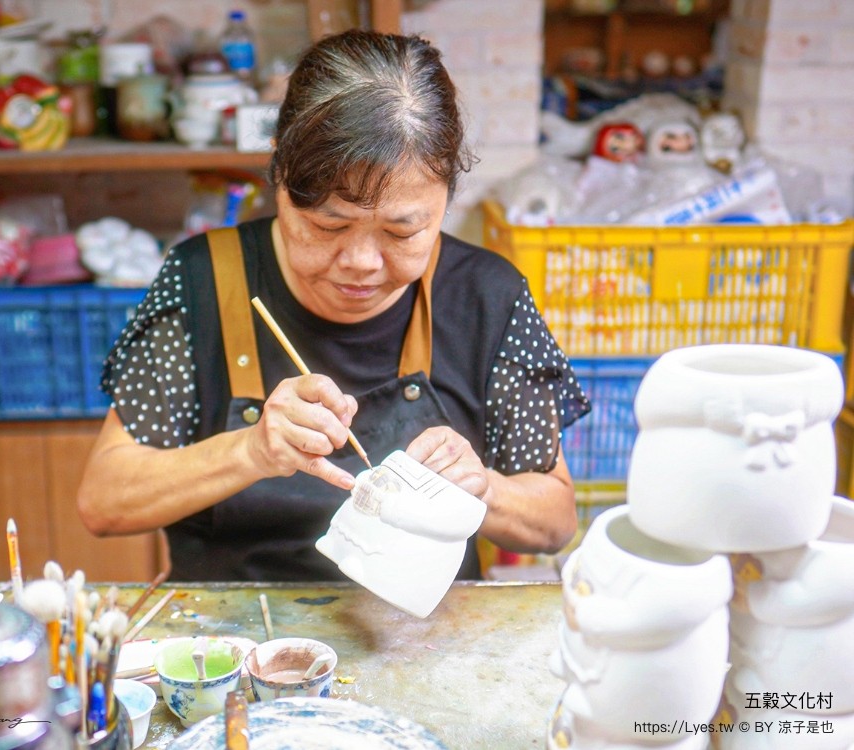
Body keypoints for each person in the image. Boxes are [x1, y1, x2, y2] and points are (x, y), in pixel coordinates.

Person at [77, 29, 590, 582]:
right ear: (279, 176)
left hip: (420, 644)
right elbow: (104, 502)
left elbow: (556, 521)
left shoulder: (487, 296)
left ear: (444, 199)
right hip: (232, 644)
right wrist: (250, 451)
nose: (362, 261)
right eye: (329, 225)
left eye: (402, 231)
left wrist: (484, 488)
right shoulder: (202, 280)